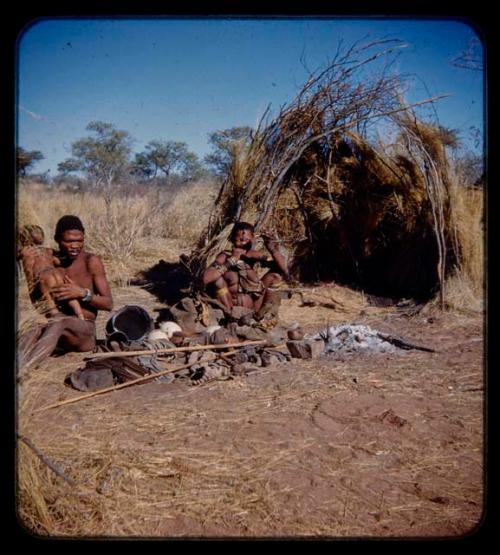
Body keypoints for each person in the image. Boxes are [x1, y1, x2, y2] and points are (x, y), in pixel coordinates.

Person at [19, 215, 114, 369]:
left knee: (59, 322)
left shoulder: (91, 261)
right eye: (69, 241)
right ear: (57, 239)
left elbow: (109, 303)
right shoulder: (49, 259)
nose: (75, 246)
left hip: (84, 331)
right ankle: (19, 363)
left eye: (79, 241)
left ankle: (26, 370)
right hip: (58, 330)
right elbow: (40, 305)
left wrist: (83, 294)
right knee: (31, 327)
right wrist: (28, 266)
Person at [202, 222, 289, 321]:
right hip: (231, 309)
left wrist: (272, 249)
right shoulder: (225, 256)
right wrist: (231, 261)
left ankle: (265, 317)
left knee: (274, 276)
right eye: (238, 239)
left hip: (253, 310)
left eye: (245, 240)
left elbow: (284, 269)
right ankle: (231, 318)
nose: (242, 243)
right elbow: (206, 278)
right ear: (231, 239)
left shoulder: (254, 256)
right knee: (218, 281)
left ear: (252, 240)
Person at [17, 224, 85, 320]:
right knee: (67, 295)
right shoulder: (48, 250)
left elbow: (29, 272)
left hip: (43, 276)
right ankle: (80, 315)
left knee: (49, 301)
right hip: (56, 273)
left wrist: (32, 292)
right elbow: (58, 260)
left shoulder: (27, 254)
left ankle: (55, 318)